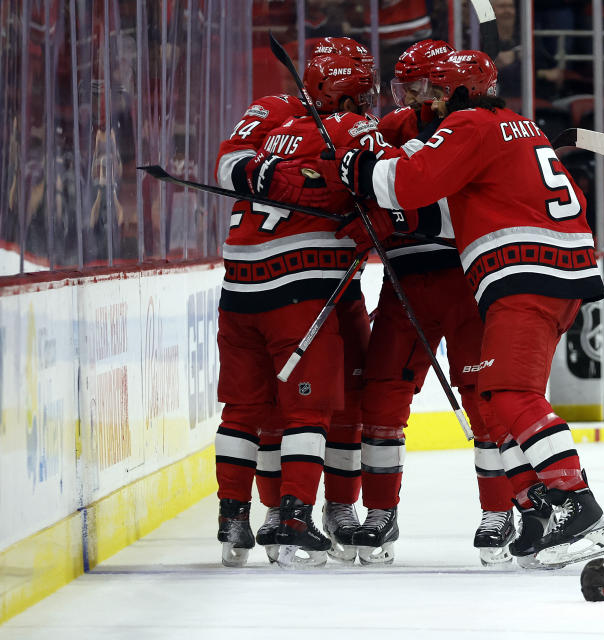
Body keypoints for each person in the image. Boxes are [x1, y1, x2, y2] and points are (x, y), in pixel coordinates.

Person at [336, 50, 604, 569]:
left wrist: (362, 166)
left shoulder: (467, 123)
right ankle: (542, 504)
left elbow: (408, 182)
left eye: (436, 92)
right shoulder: (520, 127)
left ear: (462, 93)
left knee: (510, 394)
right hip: (559, 271)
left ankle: (579, 505)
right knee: (495, 396)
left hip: (523, 272)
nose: (428, 104)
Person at [212, 52, 394, 568]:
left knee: (250, 409)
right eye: (361, 89)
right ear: (339, 92)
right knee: (309, 410)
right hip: (304, 282)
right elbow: (386, 187)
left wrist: (276, 173)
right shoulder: (351, 126)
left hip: (243, 281)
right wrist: (376, 218)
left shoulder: (275, 123)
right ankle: (291, 516)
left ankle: (237, 518)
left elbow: (236, 165)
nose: (368, 99)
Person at [353, 39, 519, 566]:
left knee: (483, 399)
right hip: (406, 279)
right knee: (380, 399)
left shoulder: (477, 126)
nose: (416, 97)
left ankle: (498, 511)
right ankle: (380, 511)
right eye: (409, 86)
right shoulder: (396, 125)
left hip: (467, 275)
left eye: (425, 85)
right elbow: (364, 183)